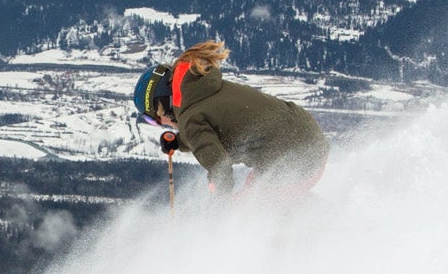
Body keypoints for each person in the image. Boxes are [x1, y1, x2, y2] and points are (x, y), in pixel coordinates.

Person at [134, 40, 328, 199]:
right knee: (254, 193)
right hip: (308, 139)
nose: (160, 125)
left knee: (245, 215)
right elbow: (213, 126)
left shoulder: (190, 118)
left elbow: (220, 167)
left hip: (297, 160)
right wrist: (180, 141)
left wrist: (221, 206)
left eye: (154, 120)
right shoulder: (202, 91)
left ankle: (309, 235)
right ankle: (312, 214)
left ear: (163, 106)